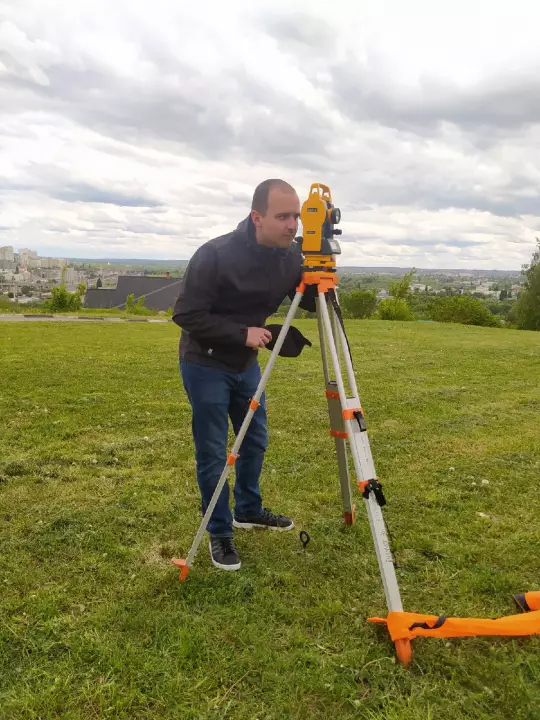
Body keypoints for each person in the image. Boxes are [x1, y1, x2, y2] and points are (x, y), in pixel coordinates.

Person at [172, 178, 315, 572]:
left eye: (296, 216)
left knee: (254, 438)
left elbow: (308, 302)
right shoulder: (215, 254)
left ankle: (248, 509)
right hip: (205, 363)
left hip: (246, 365)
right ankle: (219, 531)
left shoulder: (290, 257)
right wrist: (242, 334)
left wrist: (323, 275)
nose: (292, 225)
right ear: (257, 217)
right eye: (282, 216)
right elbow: (185, 314)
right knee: (213, 452)